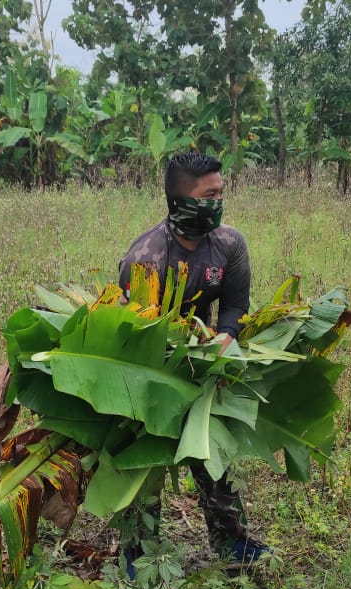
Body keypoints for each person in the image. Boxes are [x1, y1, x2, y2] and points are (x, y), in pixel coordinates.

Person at [117, 151, 270, 566]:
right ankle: (137, 551)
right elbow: (134, 331)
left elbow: (237, 304)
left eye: (222, 191)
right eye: (210, 194)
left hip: (205, 361)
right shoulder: (147, 259)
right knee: (145, 459)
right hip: (150, 364)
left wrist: (226, 335)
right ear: (182, 201)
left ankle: (230, 542)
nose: (220, 201)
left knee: (213, 453)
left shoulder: (228, 245)